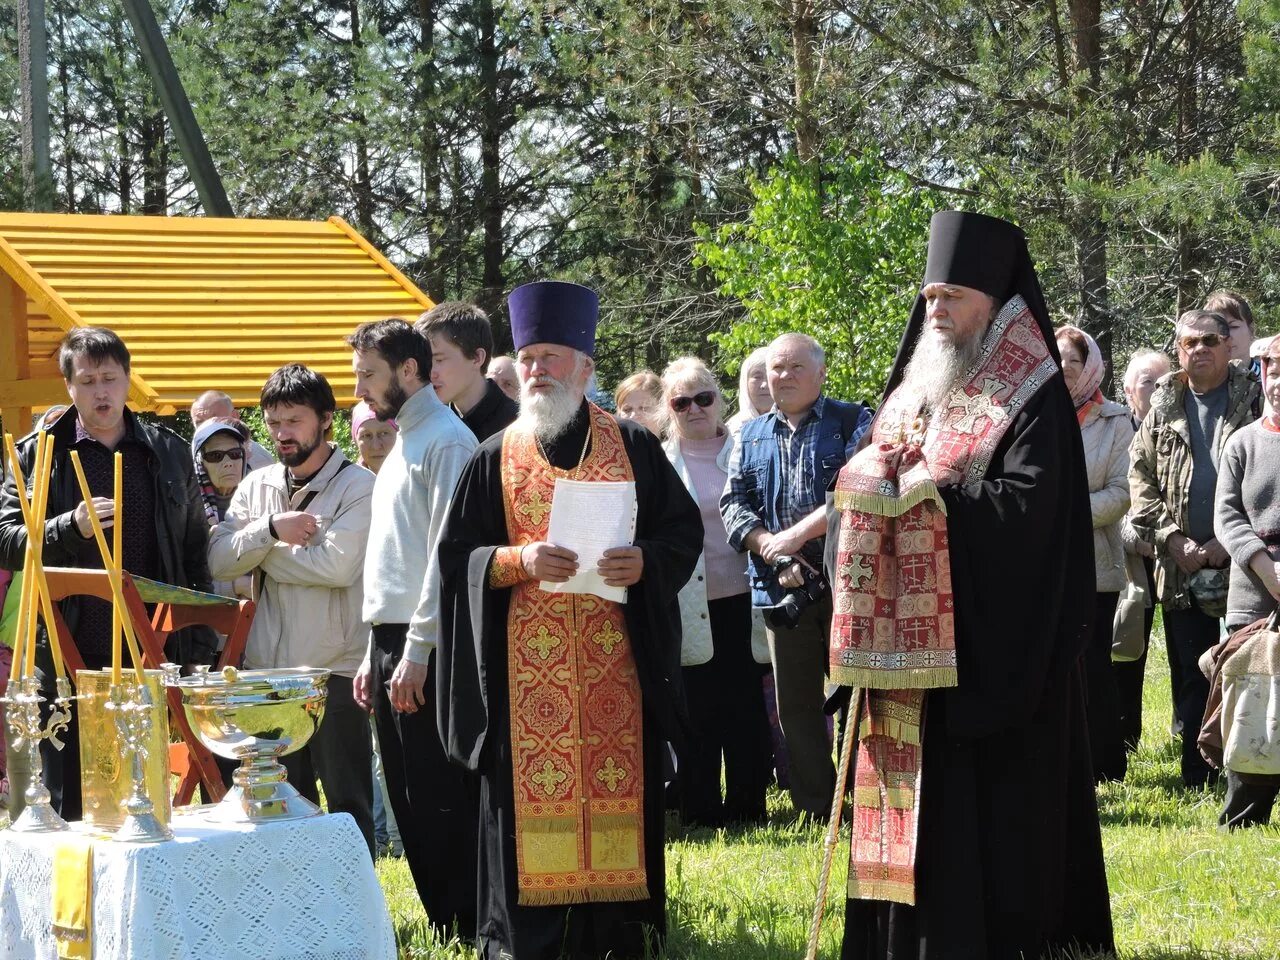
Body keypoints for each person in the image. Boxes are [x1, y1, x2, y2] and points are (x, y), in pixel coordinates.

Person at [827, 211, 1112, 959]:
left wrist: (933, 500)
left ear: (992, 298)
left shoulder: (1030, 390)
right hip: (899, 662)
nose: (938, 312)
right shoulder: (913, 389)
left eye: (952, 296)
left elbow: (1033, 512)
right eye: (929, 298)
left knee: (982, 823)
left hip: (988, 656)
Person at [436, 280, 702, 960]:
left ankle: (612, 942)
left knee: (619, 816)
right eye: (528, 357)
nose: (537, 371)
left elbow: (682, 533)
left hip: (618, 674)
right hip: (526, 691)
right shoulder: (491, 456)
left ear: (586, 367)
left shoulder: (636, 447)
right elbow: (456, 557)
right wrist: (517, 560)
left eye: (552, 357)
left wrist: (644, 562)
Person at [0, 327, 215, 821]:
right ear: (69, 388)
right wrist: (67, 526)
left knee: (141, 802)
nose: (101, 391)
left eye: (111, 379)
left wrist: (196, 646)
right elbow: (7, 540)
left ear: (127, 381)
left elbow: (193, 557)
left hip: (146, 649)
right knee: (66, 804)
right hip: (62, 649)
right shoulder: (38, 453)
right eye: (88, 380)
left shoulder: (166, 451)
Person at [207, 364, 377, 855]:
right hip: (266, 672)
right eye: (274, 422)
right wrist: (271, 530)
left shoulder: (359, 487)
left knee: (348, 807)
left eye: (294, 421)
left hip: (334, 672)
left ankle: (357, 911)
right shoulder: (255, 485)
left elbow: (337, 568)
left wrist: (259, 555)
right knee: (278, 806)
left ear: (326, 420)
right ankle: (291, 915)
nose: (282, 434)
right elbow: (218, 560)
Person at [348, 318, 479, 938]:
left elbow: (443, 558)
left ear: (409, 369)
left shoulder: (447, 442)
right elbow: (392, 556)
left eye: (369, 374)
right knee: (405, 788)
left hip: (427, 639)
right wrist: (370, 651)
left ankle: (463, 919)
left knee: (435, 788)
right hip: (390, 638)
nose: (361, 390)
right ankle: (443, 921)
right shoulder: (403, 440)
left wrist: (418, 650)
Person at [720, 333, 872, 819]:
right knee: (796, 707)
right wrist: (771, 548)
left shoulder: (853, 420)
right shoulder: (748, 433)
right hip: (778, 586)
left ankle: (868, 800)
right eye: (774, 370)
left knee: (861, 696)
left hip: (849, 582)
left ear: (821, 373)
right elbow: (734, 502)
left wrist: (795, 538)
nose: (780, 377)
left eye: (793, 368)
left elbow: (855, 490)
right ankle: (818, 808)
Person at [1130, 309, 1260, 788]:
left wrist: (1229, 540)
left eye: (1210, 340)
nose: (1199, 349)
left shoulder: (1256, 400)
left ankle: (1250, 773)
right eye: (1189, 343)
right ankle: (1197, 775)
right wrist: (1172, 537)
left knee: (1247, 666)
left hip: (1246, 563)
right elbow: (1139, 477)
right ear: (1178, 350)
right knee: (1191, 670)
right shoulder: (1164, 403)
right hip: (1179, 563)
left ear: (1229, 346)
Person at [660, 356, 771, 827]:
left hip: (745, 597)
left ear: (720, 398)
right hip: (688, 602)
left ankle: (748, 806)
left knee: (746, 706)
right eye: (681, 402)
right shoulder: (661, 462)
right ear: (670, 409)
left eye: (703, 397)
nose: (694, 409)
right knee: (698, 711)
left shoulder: (749, 448)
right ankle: (701, 809)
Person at [1056, 324, 1134, 782]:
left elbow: (1122, 493)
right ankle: (1061, 758)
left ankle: (1105, 763)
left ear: (1091, 367)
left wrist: (1064, 515)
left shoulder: (1115, 419)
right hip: (1043, 564)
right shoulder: (1034, 416)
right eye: (1058, 359)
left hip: (1094, 562)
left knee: (1093, 664)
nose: (1065, 369)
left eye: (1074, 361)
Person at [1212, 335, 1280, 828]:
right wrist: (1267, 569)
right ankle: (1245, 816)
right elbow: (1228, 517)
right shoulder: (1243, 442)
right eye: (1273, 375)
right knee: (1251, 704)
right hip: (1253, 594)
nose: (1279, 385)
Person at [1117, 349, 1172, 748]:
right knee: (1128, 647)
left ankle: (1189, 733)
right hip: (1131, 559)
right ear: (1128, 389)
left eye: (1164, 381)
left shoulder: (1181, 426)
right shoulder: (1120, 430)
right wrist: (1139, 539)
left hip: (1178, 554)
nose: (1156, 389)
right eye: (1147, 382)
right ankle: (1124, 735)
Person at [417, 301, 519, 441]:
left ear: (477, 358)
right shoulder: (431, 425)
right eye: (426, 361)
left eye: (439, 360)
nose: (430, 372)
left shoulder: (518, 426)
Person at [192, 417, 255, 602]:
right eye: (216, 456)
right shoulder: (187, 507)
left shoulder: (262, 496)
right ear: (200, 462)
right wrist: (236, 586)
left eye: (235, 454)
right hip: (206, 618)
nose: (228, 463)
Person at [190, 389, 275, 470]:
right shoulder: (188, 459)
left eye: (213, 420)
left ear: (235, 417)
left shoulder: (259, 459)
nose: (207, 428)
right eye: (199, 423)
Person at [725, 346, 772, 434]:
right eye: (757, 377)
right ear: (745, 382)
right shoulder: (732, 431)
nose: (765, 385)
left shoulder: (795, 426)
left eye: (770, 377)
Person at [1204, 290, 1257, 367]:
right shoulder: (1196, 378)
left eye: (1233, 327)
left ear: (1251, 330)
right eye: (1217, 329)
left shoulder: (1272, 377)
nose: (1226, 336)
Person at [351, 401, 397, 474]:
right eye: (366, 435)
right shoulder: (346, 483)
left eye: (384, 433)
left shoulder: (417, 479)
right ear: (355, 441)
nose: (376, 446)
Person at [614, 370, 665, 434]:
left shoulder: (676, 443)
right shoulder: (610, 443)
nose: (633, 416)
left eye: (644, 408)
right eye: (627, 410)